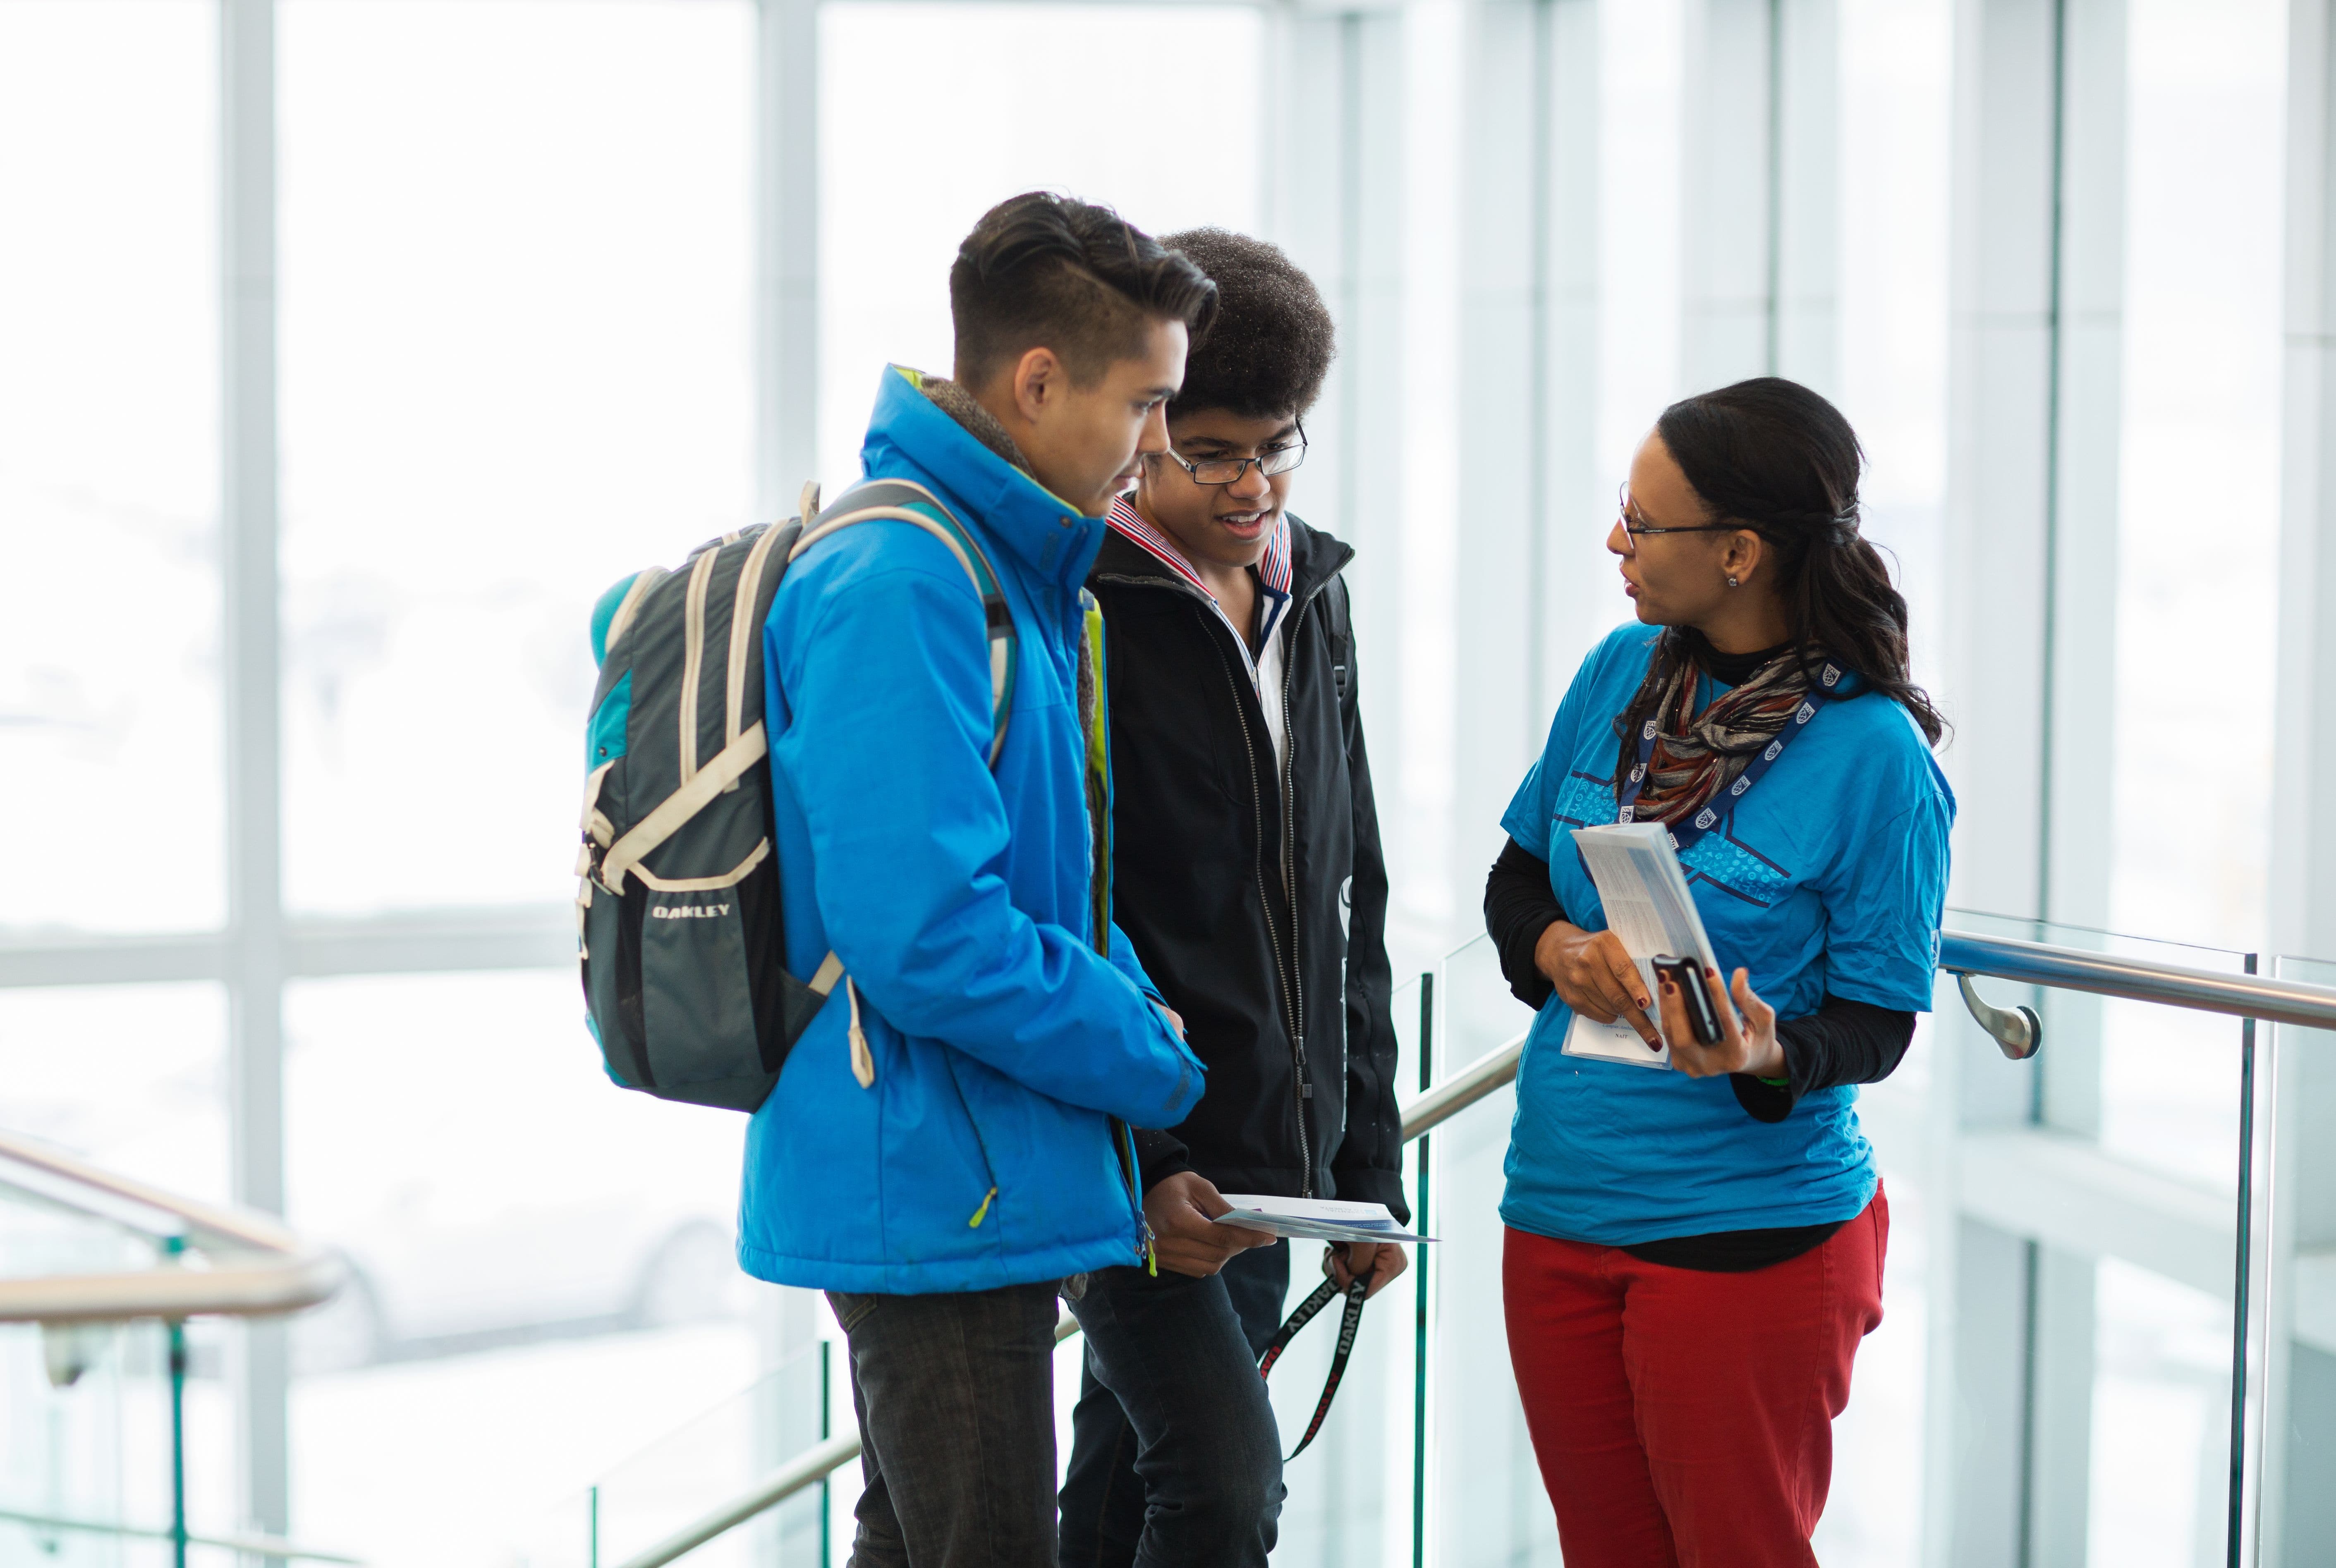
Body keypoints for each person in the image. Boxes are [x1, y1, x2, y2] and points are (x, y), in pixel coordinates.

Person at [741, 192, 1217, 1568]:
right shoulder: (907, 576)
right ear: (1037, 379)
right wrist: (1151, 1055)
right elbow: (931, 936)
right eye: (1145, 405)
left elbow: (1051, 891)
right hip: (934, 1175)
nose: (1156, 450)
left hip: (965, 1164)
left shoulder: (1005, 570)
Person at [1482, 377, 1953, 1568]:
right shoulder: (1619, 673)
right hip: (1557, 1205)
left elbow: (1879, 1020)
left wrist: (1763, 1053)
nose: (1615, 542)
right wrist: (1556, 949)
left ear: (1740, 551)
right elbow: (1515, 881)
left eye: (1642, 523)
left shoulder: (1875, 754)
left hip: (1749, 1239)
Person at [1062, 228, 1405, 1568]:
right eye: (1211, 450)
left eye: (1279, 442)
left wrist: (1364, 1166)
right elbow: (1072, 909)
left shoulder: (1309, 594)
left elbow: (1349, 897)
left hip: (1281, 1165)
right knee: (1222, 1490)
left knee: (1117, 1491)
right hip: (1141, 1160)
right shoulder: (1081, 600)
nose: (1253, 482)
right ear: (1143, 430)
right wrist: (1147, 1167)